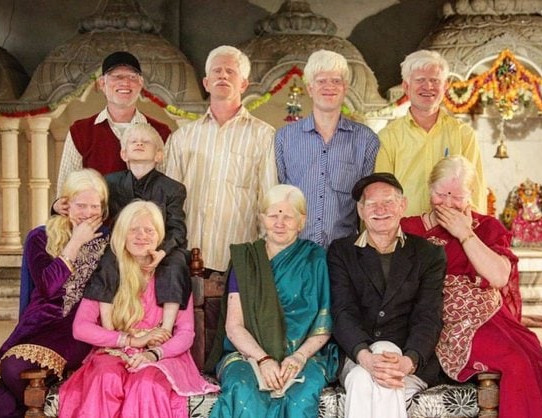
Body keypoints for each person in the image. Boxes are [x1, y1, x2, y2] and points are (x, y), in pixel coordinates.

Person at [401, 155, 542, 418]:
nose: (449, 204)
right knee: (515, 364)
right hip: (441, 320)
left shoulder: (487, 227)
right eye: (442, 194)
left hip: (489, 316)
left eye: (458, 196)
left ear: (471, 196)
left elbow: (498, 277)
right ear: (429, 190)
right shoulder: (411, 227)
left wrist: (465, 234)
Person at [58, 201, 219, 418]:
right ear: (122, 233)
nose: (142, 235)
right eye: (135, 228)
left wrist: (151, 352)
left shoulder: (173, 272)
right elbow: (82, 328)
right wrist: (128, 340)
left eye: (149, 230)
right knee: (102, 380)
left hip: (163, 356)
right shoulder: (108, 271)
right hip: (114, 349)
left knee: (146, 388)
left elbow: (184, 334)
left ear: (159, 235)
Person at [193, 184, 338, 418]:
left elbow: (323, 322)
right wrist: (262, 359)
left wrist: (297, 359)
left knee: (298, 397)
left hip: (306, 355)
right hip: (247, 354)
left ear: (302, 221)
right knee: (247, 393)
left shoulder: (315, 258)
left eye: (289, 215)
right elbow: (234, 326)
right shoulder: (246, 258)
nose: (280, 221)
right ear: (261, 218)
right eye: (273, 213)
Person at [327, 172, 447, 418]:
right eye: (371, 204)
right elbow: (343, 313)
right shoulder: (341, 252)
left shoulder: (428, 254)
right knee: (373, 367)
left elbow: (428, 317)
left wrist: (409, 360)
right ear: (361, 212)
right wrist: (364, 356)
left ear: (403, 206)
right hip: (357, 355)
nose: (380, 209)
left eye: (388, 201)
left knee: (372, 379)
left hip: (409, 360)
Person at [0, 169, 109, 418]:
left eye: (95, 207)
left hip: (77, 327)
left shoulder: (110, 241)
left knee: (15, 368)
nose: (88, 214)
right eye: (81, 205)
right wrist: (74, 243)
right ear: (65, 203)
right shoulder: (42, 236)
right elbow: (48, 286)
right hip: (39, 323)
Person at [164, 45, 278, 273]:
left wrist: (265, 255)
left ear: (244, 84)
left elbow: (269, 198)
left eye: (230, 71)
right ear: (206, 82)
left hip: (238, 257)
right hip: (186, 256)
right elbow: (168, 200)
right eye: (217, 71)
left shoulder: (264, 135)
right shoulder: (183, 137)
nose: (223, 75)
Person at [82, 122, 190, 337]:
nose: (139, 143)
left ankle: (166, 328)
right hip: (121, 245)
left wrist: (163, 250)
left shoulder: (173, 188)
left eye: (146, 141)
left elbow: (177, 228)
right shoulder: (109, 183)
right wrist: (58, 206)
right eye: (133, 141)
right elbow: (89, 205)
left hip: (157, 246)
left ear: (158, 155)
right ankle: (109, 329)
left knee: (177, 262)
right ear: (123, 153)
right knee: (106, 259)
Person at [275, 49, 379, 248]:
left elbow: (368, 202)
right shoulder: (284, 138)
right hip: (294, 249)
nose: (329, 87)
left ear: (345, 87)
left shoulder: (366, 140)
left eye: (336, 81)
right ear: (310, 88)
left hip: (344, 253)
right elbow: (276, 196)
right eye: (321, 81)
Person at [376, 49, 487, 216]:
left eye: (435, 80)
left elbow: (475, 190)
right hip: (405, 235)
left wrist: (473, 234)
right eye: (420, 80)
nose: (428, 86)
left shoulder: (463, 134)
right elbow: (380, 193)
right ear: (406, 86)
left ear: (445, 86)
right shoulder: (388, 137)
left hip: (452, 233)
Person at [56, 51, 170, 196]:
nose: (125, 82)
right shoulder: (80, 132)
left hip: (144, 217)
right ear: (102, 83)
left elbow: (167, 188)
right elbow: (66, 188)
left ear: (141, 84)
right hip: (95, 217)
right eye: (117, 77)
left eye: (132, 77)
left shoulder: (160, 132)